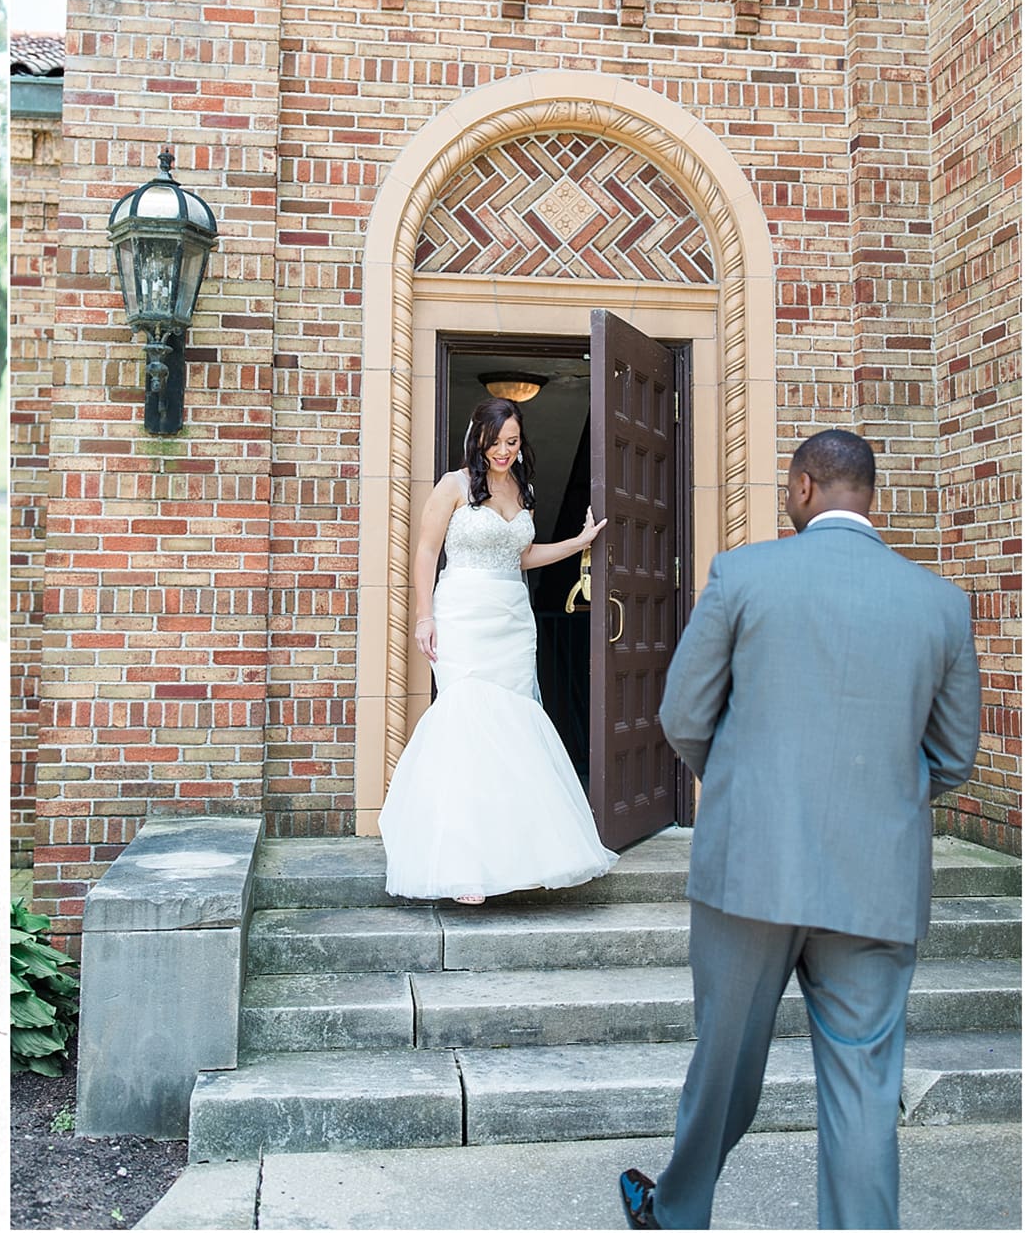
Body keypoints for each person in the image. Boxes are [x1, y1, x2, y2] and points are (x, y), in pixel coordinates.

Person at [618, 429, 981, 1230]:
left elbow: (682, 713)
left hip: (751, 866)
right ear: (872, 496)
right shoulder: (940, 604)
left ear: (804, 488)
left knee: (723, 1068)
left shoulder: (744, 574)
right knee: (863, 1094)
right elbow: (955, 756)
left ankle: (677, 1212)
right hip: (876, 878)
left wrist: (746, 785)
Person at [379, 396, 614, 904]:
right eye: (496, 442)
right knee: (466, 719)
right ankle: (462, 865)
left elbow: (523, 554)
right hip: (463, 611)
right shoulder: (453, 485)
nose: (503, 451)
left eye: (512, 442)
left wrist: (579, 542)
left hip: (511, 616)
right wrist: (425, 616)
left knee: (513, 724)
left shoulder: (522, 489)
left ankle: (516, 854)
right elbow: (424, 552)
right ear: (477, 435)